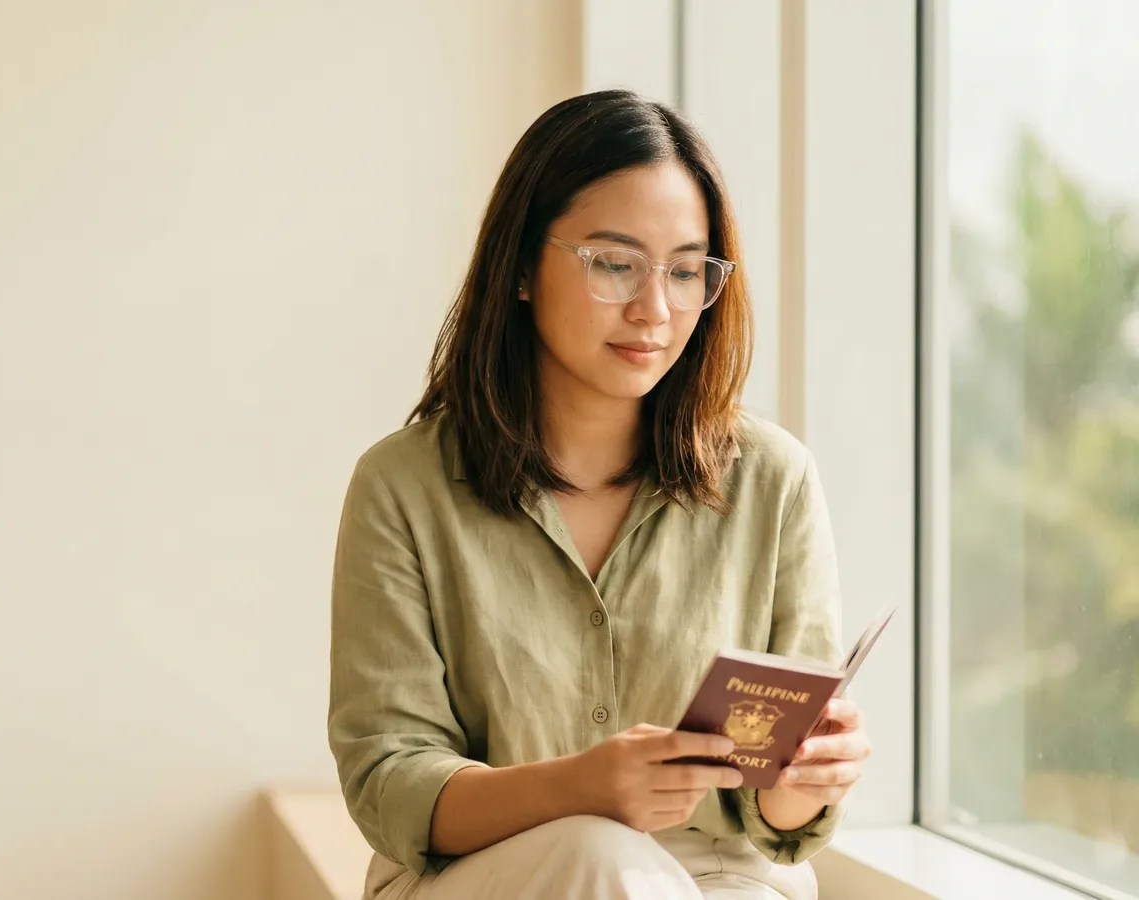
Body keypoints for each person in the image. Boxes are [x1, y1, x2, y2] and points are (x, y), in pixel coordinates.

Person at [326, 89, 871, 900]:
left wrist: (807, 780)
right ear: (518, 266)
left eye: (687, 271)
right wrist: (582, 789)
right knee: (596, 858)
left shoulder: (774, 480)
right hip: (484, 878)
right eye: (615, 263)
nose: (655, 309)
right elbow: (390, 782)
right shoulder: (403, 486)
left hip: (718, 881)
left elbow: (774, 821)